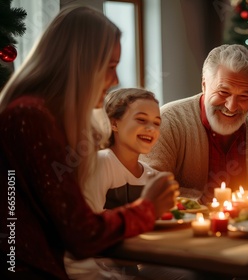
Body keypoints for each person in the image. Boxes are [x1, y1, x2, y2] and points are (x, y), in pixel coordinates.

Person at [0, 6, 178, 279]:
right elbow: (80, 233)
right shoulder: (31, 117)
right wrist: (148, 208)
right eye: (110, 67)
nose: (115, 80)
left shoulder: (44, 117)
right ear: (79, 64)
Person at [66, 88, 200, 279]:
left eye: (156, 123)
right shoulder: (101, 163)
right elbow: (88, 228)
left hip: (135, 264)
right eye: (141, 120)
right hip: (98, 266)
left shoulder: (151, 175)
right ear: (114, 123)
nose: (151, 128)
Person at [141, 44, 248, 204]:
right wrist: (196, 199)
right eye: (223, 92)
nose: (231, 106)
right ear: (204, 85)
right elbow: (148, 187)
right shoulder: (168, 122)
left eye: (243, 97)